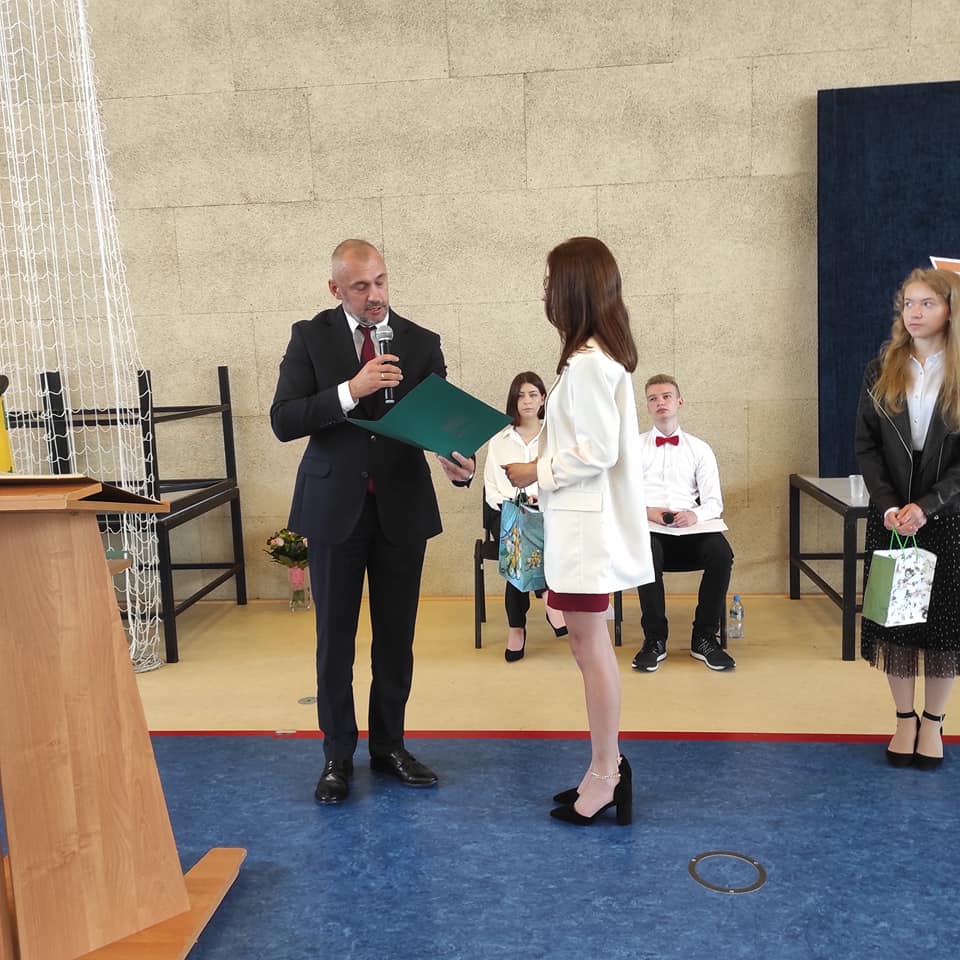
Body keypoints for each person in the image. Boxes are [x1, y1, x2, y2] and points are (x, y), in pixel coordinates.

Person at [270, 239, 474, 804]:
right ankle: (337, 755)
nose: (374, 294)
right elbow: (284, 420)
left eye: (380, 281)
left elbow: (442, 424)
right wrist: (350, 390)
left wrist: (457, 462)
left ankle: (389, 748)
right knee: (334, 641)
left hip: (401, 508)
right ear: (335, 288)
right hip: (333, 508)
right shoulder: (309, 337)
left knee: (396, 639)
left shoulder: (422, 342)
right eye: (360, 287)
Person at [504, 236, 653, 826]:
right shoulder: (588, 359)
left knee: (591, 652)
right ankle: (602, 766)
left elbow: (596, 451)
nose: (544, 291)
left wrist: (533, 470)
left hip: (588, 532)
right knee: (586, 649)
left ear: (573, 288)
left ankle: (608, 773)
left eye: (550, 281)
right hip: (580, 525)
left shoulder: (590, 362)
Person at [855, 266, 960, 770]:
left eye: (927, 303)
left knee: (942, 628)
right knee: (895, 625)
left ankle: (934, 722)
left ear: (950, 310)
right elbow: (867, 445)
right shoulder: (882, 368)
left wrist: (930, 505)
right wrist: (891, 505)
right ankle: (903, 719)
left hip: (948, 516)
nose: (914, 312)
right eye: (908, 303)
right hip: (894, 515)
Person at [631, 375, 736, 673]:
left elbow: (714, 502)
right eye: (653, 398)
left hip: (691, 530)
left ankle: (704, 637)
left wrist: (694, 515)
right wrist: (648, 511)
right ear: (647, 406)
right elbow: (622, 497)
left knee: (721, 554)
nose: (660, 402)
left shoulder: (700, 449)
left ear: (679, 402)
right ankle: (654, 639)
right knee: (646, 551)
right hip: (651, 528)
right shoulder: (633, 448)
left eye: (666, 396)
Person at [483, 372, 567, 662]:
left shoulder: (555, 436)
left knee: (518, 549)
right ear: (513, 400)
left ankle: (516, 629)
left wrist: (538, 500)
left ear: (543, 398)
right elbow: (492, 489)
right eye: (520, 395)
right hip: (506, 514)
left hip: (547, 513)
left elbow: (562, 478)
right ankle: (547, 596)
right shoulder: (499, 440)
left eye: (533, 394)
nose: (527, 401)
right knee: (517, 535)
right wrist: (517, 504)